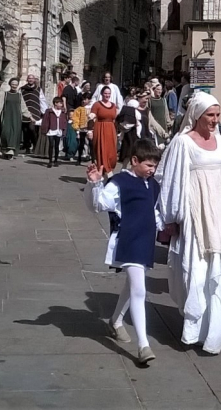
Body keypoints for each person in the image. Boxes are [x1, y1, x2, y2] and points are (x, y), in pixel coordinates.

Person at [155, 92, 221, 355]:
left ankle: (212, 334)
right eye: (210, 115)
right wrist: (171, 217)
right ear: (197, 115)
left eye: (218, 115)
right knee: (197, 273)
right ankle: (193, 329)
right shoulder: (182, 143)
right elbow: (170, 180)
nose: (215, 120)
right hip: (195, 215)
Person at [84, 140, 162, 364]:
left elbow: (154, 212)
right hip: (128, 241)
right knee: (139, 289)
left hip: (146, 241)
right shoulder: (119, 182)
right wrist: (95, 184)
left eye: (155, 166)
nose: (152, 170)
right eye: (148, 165)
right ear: (134, 161)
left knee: (131, 287)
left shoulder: (153, 184)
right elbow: (98, 205)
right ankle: (143, 345)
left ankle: (115, 321)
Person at [0, 78, 30, 159]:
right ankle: (5, 150)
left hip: (16, 118)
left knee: (14, 133)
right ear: (10, 84)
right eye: (13, 84)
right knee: (6, 132)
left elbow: (23, 107)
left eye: (16, 84)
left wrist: (30, 116)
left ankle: (11, 152)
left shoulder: (19, 96)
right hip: (6, 116)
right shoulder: (5, 94)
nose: (14, 86)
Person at [91, 86, 119, 176]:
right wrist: (89, 129)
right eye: (105, 93)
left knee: (112, 152)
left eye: (109, 93)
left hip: (111, 130)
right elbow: (92, 116)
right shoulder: (97, 104)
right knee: (102, 150)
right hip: (100, 129)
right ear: (102, 94)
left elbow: (114, 119)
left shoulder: (114, 105)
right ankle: (104, 172)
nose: (107, 95)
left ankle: (109, 168)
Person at [20, 74, 47, 154]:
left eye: (32, 78)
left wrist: (45, 111)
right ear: (27, 79)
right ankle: (27, 147)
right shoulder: (22, 89)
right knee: (25, 130)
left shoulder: (38, 89)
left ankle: (35, 146)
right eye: (29, 78)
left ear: (34, 80)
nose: (31, 80)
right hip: (25, 112)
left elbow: (42, 100)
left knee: (32, 129)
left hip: (35, 112)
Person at [40, 96, 67, 168]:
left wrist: (64, 130)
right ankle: (50, 161)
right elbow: (45, 120)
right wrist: (44, 130)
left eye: (61, 103)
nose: (61, 105)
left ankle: (56, 160)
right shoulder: (49, 111)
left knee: (57, 146)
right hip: (51, 130)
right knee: (51, 145)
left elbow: (64, 121)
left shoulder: (63, 112)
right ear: (55, 103)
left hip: (59, 130)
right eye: (60, 103)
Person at [71, 93, 92, 165]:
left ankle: (93, 160)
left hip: (91, 128)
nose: (83, 101)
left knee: (91, 144)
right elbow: (75, 118)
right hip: (82, 128)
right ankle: (79, 159)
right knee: (81, 144)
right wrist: (77, 127)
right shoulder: (79, 109)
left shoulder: (93, 108)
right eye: (83, 99)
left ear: (89, 100)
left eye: (85, 99)